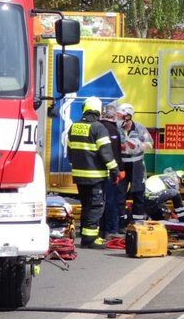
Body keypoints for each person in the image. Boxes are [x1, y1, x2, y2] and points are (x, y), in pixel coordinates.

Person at [66, 97, 119, 248]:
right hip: (95, 176)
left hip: (79, 175)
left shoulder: (74, 127)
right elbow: (106, 154)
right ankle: (90, 239)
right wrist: (114, 170)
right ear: (98, 111)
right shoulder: (99, 128)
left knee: (86, 205)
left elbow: (70, 152)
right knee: (95, 206)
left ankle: (85, 235)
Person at [117, 103, 154, 228]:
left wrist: (139, 145)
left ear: (129, 116)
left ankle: (137, 223)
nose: (119, 118)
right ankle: (121, 223)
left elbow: (150, 143)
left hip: (137, 164)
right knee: (119, 194)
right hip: (121, 165)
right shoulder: (117, 128)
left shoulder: (140, 128)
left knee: (138, 194)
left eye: (121, 116)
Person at [99, 103, 125, 239]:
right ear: (114, 116)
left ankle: (100, 229)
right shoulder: (113, 130)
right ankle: (111, 230)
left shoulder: (97, 127)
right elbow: (115, 153)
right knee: (111, 201)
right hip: (110, 171)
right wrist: (119, 170)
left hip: (96, 172)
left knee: (98, 201)